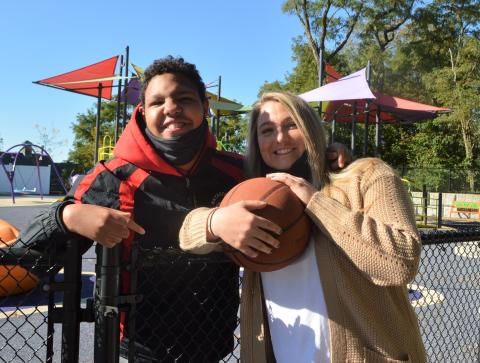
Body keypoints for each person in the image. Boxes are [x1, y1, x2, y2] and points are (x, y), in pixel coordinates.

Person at [17, 57, 349, 362]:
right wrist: (67, 217)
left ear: (205, 106)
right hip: (141, 349)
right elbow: (25, 259)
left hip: (214, 344)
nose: (172, 108)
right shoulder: (110, 179)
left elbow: (289, 176)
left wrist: (326, 155)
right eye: (158, 101)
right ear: (143, 112)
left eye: (184, 99)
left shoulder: (238, 171)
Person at [179, 91, 427, 363]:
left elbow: (399, 262)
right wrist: (215, 221)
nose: (280, 138)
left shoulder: (366, 175)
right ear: (257, 141)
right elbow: (186, 233)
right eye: (267, 130)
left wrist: (316, 201)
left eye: (291, 125)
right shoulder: (252, 194)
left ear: (310, 127)